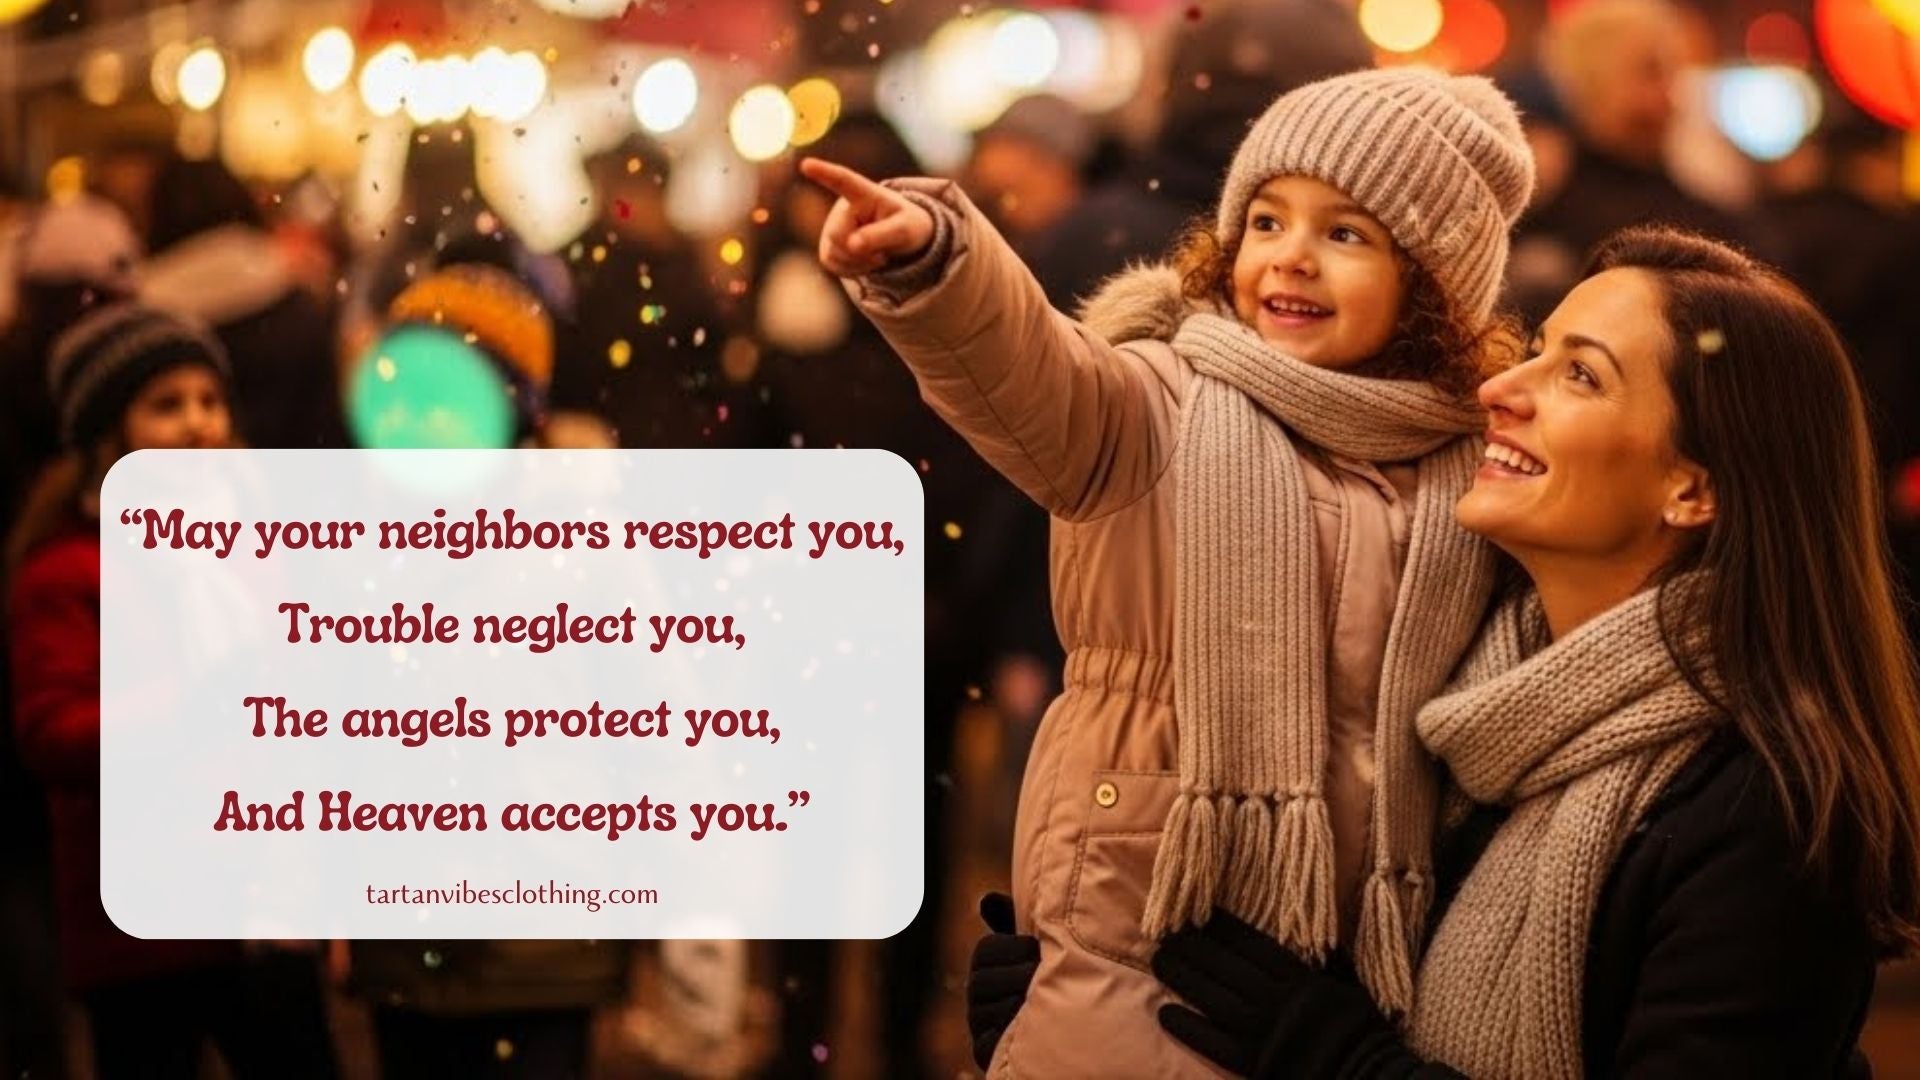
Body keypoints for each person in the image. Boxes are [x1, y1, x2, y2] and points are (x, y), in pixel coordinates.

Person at [805, 66, 1534, 1075]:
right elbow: (1031, 370)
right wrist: (937, 263)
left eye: (1346, 233)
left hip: (1349, 965)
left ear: (1432, 283)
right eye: (1268, 221)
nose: (1292, 256)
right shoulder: (1159, 400)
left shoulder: (1465, 466)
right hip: (1141, 912)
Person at [1145, 227, 1919, 1077]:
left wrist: (1338, 1057)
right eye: (1538, 351)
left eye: (1580, 375)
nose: (1501, 388)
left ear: (1693, 489)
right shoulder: (1468, 708)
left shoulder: (1764, 813)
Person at [6, 303, 338, 1079]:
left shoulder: (253, 545)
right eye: (166, 405)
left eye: (210, 400)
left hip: (263, 909)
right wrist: (189, 706)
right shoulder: (68, 570)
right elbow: (51, 734)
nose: (197, 424)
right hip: (143, 926)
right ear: (107, 434)